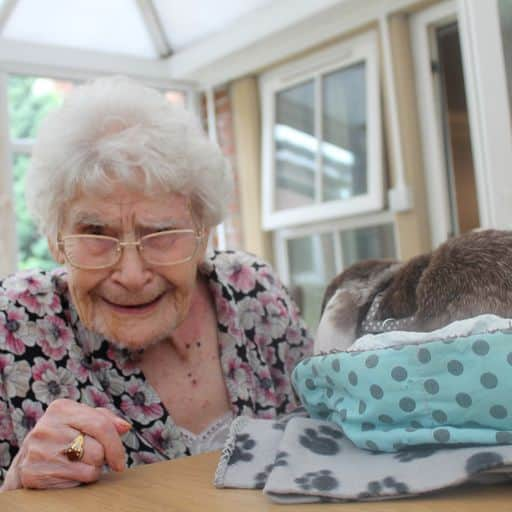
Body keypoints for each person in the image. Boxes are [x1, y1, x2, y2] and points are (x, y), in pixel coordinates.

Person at [0, 76, 313, 491]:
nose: (131, 275)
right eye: (96, 232)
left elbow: (326, 434)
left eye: (161, 232)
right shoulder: (14, 323)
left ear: (203, 235)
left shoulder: (254, 290)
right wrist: (18, 484)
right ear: (57, 241)